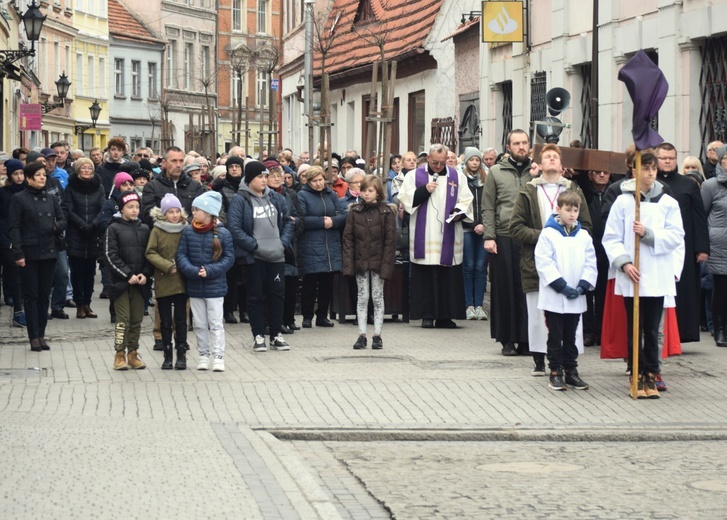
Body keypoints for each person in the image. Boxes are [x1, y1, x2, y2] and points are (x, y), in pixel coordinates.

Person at [602, 151, 685, 399]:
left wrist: (648, 233)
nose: (650, 173)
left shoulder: (667, 203)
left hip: (657, 273)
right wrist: (625, 263)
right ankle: (635, 371)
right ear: (635, 170)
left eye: (653, 169)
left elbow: (676, 236)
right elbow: (611, 237)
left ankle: (652, 370)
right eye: (645, 168)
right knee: (634, 326)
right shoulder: (624, 202)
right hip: (633, 274)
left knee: (651, 327)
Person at [510, 144, 592, 376]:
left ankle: (569, 361)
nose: (552, 160)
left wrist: (567, 239)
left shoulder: (573, 190)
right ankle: (539, 357)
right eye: (547, 157)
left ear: (561, 163)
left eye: (555, 157)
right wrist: (547, 237)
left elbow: (586, 224)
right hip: (537, 262)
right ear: (539, 163)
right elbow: (515, 228)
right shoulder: (529, 191)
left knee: (569, 315)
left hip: (570, 263)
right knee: (539, 314)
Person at [398, 144, 474, 328]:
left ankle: (446, 316)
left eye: (442, 162)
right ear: (428, 158)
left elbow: (466, 199)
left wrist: (459, 212)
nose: (438, 166)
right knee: (425, 275)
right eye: (434, 162)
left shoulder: (457, 176)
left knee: (448, 277)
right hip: (424, 234)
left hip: (449, 234)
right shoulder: (414, 176)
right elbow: (404, 199)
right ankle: (426, 315)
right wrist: (424, 190)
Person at [227, 161, 294, 352]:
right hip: (254, 258)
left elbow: (289, 222)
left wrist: (282, 243)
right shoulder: (241, 200)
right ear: (249, 179)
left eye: (266, 176)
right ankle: (258, 335)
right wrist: (254, 245)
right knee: (255, 296)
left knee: (277, 295)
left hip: (277, 256)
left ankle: (275, 335)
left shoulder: (276, 198)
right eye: (260, 177)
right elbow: (235, 227)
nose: (264, 180)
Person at [534, 191, 597, 391]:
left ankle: (571, 370)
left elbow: (590, 262)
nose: (572, 214)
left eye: (575, 210)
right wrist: (561, 286)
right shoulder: (548, 233)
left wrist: (582, 286)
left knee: (571, 334)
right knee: (555, 334)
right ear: (558, 209)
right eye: (568, 209)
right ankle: (555, 371)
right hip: (555, 295)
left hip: (575, 296)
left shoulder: (584, 235)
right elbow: (544, 263)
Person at [482, 130, 534, 353]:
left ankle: (526, 339)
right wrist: (489, 236)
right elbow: (488, 205)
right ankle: (506, 340)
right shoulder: (496, 172)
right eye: (516, 143)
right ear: (508, 146)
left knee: (527, 289)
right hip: (503, 235)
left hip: (530, 237)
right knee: (504, 289)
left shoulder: (536, 172)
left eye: (524, 143)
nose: (521, 147)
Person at [655, 142, 710, 344]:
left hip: (683, 248)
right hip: (656, 246)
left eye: (671, 158)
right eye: (663, 158)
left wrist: (702, 248)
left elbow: (699, 217)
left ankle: (682, 334)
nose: (668, 161)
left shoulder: (688, 185)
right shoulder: (650, 183)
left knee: (685, 291)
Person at [9, 162, 66, 351]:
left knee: (44, 296)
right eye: (38, 175)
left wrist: (55, 227)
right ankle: (33, 335)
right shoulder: (19, 199)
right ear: (29, 178)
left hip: (49, 252)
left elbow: (62, 219)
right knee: (31, 296)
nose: (43, 177)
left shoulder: (50, 198)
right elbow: (14, 228)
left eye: (44, 175)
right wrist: (18, 253)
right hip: (29, 253)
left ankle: (42, 334)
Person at [176, 191, 235, 372]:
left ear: (208, 213)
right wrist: (193, 271)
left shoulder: (223, 234)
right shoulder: (188, 231)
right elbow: (181, 255)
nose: (194, 212)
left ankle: (218, 356)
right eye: (193, 209)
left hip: (215, 286)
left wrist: (209, 270)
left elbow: (229, 258)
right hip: (195, 285)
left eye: (197, 209)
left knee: (215, 323)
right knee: (199, 323)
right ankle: (203, 355)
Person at [342, 175, 397, 349]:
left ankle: (377, 334)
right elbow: (348, 238)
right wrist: (349, 264)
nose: (366, 194)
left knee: (377, 296)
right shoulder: (355, 211)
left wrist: (386, 265)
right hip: (361, 261)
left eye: (370, 190)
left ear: (378, 192)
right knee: (362, 297)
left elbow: (390, 241)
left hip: (379, 261)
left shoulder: (387, 212)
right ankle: (362, 334)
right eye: (364, 190)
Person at [103, 191, 152, 370]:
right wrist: (127, 274)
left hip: (140, 283)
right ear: (122, 208)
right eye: (130, 207)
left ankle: (133, 352)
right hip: (120, 283)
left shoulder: (144, 228)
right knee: (123, 319)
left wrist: (145, 274)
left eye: (137, 207)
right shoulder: (113, 228)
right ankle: (119, 353)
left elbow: (149, 254)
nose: (134, 210)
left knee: (137, 319)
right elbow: (110, 255)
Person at [297, 166, 347, 328]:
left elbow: (342, 215)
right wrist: (322, 222)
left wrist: (332, 222)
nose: (319, 184)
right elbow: (302, 219)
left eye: (321, 180)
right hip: (311, 243)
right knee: (310, 282)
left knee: (327, 282)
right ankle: (307, 316)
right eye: (315, 181)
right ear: (308, 181)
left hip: (330, 243)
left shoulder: (331, 194)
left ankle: (322, 316)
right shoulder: (302, 195)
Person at [145, 194, 190, 369]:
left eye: (177, 211)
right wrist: (166, 265)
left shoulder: (186, 228)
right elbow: (150, 252)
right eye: (171, 212)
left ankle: (181, 354)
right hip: (164, 278)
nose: (174, 215)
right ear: (164, 214)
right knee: (165, 320)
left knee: (180, 319)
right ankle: (167, 354)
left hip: (182, 280)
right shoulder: (157, 230)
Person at [63, 157, 105, 319]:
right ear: (78, 169)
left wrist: (94, 224)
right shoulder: (71, 187)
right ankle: (79, 305)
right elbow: (69, 209)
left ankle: (87, 304)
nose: (87, 170)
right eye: (84, 168)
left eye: (89, 168)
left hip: (93, 234)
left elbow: (102, 208)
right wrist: (82, 225)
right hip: (76, 233)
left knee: (90, 273)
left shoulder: (99, 187)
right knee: (77, 272)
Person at [266, 164, 303, 333]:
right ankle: (275, 321)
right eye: (272, 176)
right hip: (272, 245)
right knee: (275, 286)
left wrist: (294, 224)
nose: (276, 179)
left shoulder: (290, 194)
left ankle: (288, 318)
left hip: (290, 244)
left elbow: (299, 217)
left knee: (290, 284)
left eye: (279, 175)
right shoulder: (264, 196)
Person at [212, 154, 246, 324]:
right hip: (229, 237)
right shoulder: (221, 189)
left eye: (237, 166)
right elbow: (221, 214)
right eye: (231, 166)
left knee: (245, 276)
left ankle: (245, 311)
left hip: (245, 237)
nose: (234, 169)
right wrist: (233, 228)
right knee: (230, 276)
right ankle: (228, 311)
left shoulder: (247, 186)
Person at [701, 145, 727, 346]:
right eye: (726, 158)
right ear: (719, 161)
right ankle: (719, 330)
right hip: (720, 244)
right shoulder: (711, 186)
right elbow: (702, 214)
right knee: (720, 288)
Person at [142, 146, 206, 226]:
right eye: (174, 161)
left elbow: (200, 213)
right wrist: (171, 225)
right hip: (163, 235)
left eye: (181, 161)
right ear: (164, 163)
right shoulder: (152, 187)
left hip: (187, 233)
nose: (178, 165)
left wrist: (183, 224)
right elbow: (148, 215)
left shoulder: (195, 186)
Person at [460, 147, 489, 321]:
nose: (474, 163)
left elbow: (490, 204)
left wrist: (484, 225)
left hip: (484, 229)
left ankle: (479, 305)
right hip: (467, 229)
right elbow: (460, 205)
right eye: (472, 160)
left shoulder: (487, 180)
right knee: (468, 267)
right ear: (466, 162)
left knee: (480, 268)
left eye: (477, 160)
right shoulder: (463, 180)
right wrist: (472, 223)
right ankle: (468, 305)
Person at [1, 159, 26, 327]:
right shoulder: (3, 193)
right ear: (10, 175)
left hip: (24, 239)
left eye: (21, 173)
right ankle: (18, 311)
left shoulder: (27, 191)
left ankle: (24, 311)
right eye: (15, 174)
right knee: (15, 275)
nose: (19, 177)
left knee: (22, 277)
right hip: (6, 238)